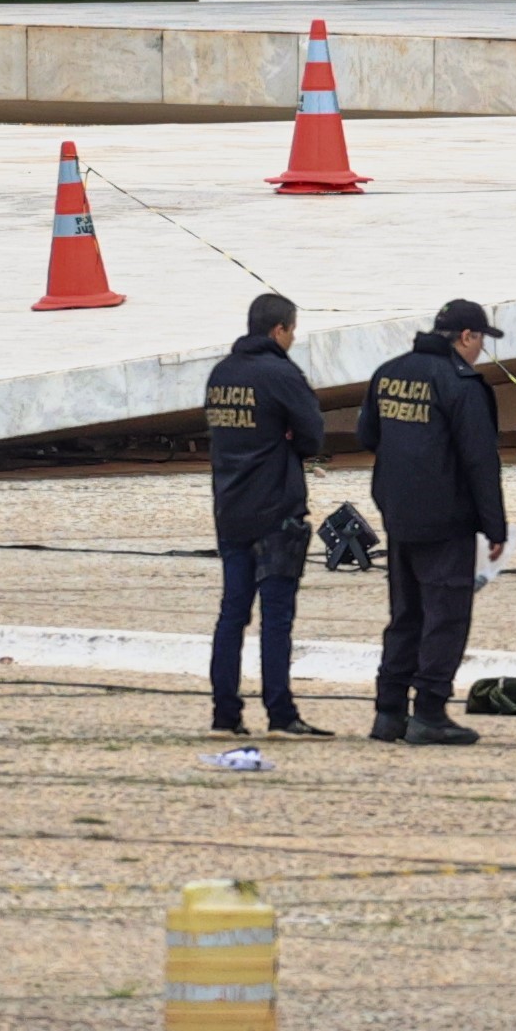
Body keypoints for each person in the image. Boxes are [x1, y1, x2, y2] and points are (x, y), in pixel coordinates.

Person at [357, 297, 509, 746]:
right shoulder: (461, 383)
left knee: (405, 615)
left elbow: (368, 436)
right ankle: (429, 712)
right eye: (480, 340)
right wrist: (495, 527)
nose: (481, 350)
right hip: (447, 520)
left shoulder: (388, 372)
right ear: (466, 337)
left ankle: (388, 713)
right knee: (445, 617)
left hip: (399, 516)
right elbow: (480, 461)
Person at [202, 291, 327, 738]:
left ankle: (225, 713)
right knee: (276, 618)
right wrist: (288, 441)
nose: (293, 338)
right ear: (280, 330)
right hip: (275, 510)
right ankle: (281, 713)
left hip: (230, 507)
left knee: (232, 614)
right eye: (292, 330)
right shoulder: (281, 373)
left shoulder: (222, 373)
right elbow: (313, 435)